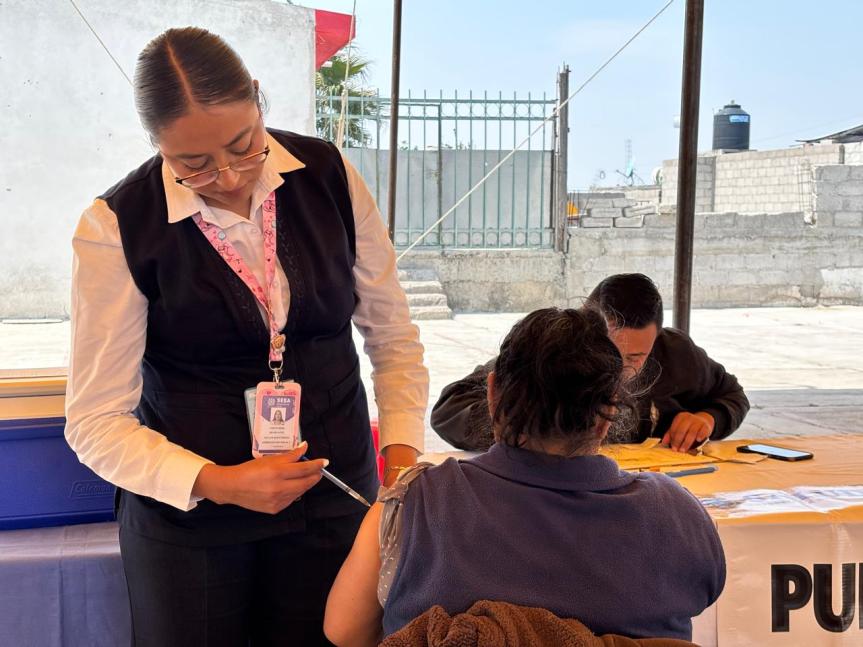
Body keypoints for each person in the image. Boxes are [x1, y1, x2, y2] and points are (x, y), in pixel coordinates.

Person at [64, 27, 428, 646]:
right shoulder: (117, 225)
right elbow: (95, 421)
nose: (229, 177)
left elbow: (392, 334)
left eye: (243, 145)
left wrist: (399, 460)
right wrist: (219, 482)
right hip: (190, 524)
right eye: (194, 165)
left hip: (334, 495)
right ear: (156, 143)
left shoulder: (329, 175)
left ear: (258, 98)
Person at [324, 308, 725, 646]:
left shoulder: (413, 501)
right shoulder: (677, 513)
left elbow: (344, 631)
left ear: (492, 393)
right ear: (608, 414)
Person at [431, 273, 749, 453]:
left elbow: (732, 395)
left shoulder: (677, 354)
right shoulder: (553, 352)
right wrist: (532, 421)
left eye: (636, 357)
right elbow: (448, 410)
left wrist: (709, 418)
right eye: (608, 353)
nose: (618, 370)